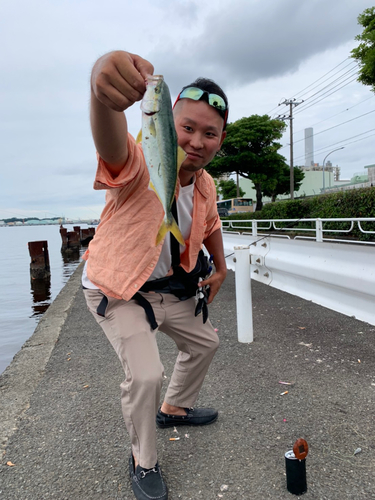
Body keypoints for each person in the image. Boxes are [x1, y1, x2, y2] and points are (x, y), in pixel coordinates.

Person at [82, 50, 228, 500]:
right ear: (164, 125)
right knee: (145, 374)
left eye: (211, 133)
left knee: (206, 342)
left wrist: (220, 267)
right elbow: (110, 143)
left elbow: (210, 225)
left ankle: (174, 408)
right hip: (120, 289)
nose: (197, 141)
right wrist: (101, 91)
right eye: (186, 128)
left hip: (170, 290)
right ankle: (143, 460)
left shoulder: (205, 184)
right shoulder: (141, 160)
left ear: (221, 140)